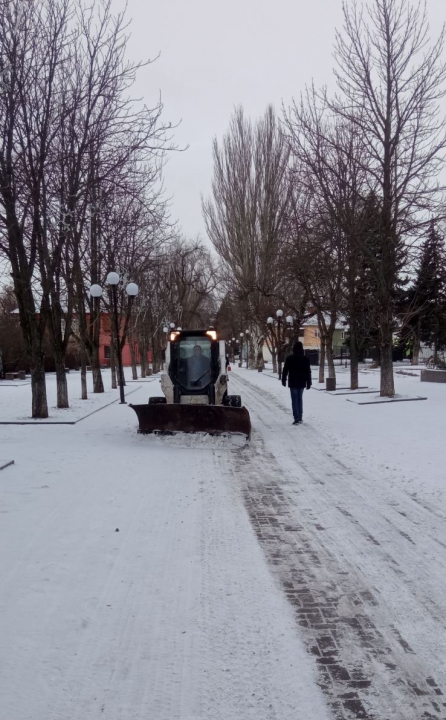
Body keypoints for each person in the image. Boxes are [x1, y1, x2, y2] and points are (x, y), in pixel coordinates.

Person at [281, 341, 312, 425]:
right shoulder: (306, 359)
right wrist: (309, 382)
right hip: (302, 382)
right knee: (300, 399)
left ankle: (296, 418)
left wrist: (283, 379)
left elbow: (285, 370)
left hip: (293, 382)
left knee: (294, 400)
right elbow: (308, 372)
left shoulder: (290, 358)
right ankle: (300, 417)